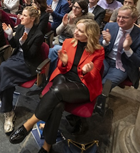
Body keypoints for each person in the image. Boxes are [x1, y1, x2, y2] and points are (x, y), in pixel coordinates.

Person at [9, 19, 105, 153]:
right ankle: (46, 147)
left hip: (83, 85)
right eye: (76, 28)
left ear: (90, 35)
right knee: (57, 105)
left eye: (80, 31)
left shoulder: (98, 51)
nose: (75, 32)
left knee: (57, 92)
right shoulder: (68, 43)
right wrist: (64, 63)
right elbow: (61, 68)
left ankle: (29, 123)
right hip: (64, 77)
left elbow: (93, 77)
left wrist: (85, 71)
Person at [0, 6, 44, 134]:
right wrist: (11, 37)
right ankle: (8, 113)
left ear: (32, 18)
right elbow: (15, 46)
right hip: (16, 59)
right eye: (21, 14)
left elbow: (31, 55)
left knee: (4, 68)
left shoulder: (38, 34)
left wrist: (23, 43)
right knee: (7, 80)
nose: (20, 17)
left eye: (24, 15)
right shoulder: (21, 27)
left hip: (28, 64)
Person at [101, 6, 140, 89]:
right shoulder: (110, 26)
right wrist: (105, 42)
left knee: (105, 86)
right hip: (104, 59)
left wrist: (128, 49)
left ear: (134, 19)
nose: (120, 20)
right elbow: (97, 47)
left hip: (123, 65)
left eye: (125, 17)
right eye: (119, 16)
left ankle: (99, 101)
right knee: (92, 77)